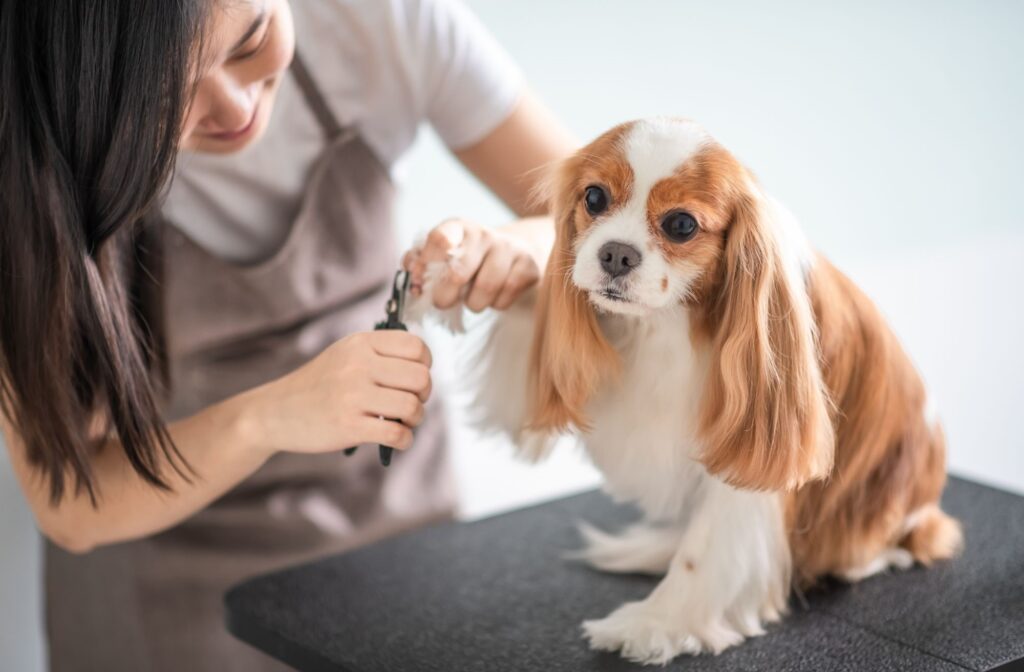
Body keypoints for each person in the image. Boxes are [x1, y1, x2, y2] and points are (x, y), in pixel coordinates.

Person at [0, 0, 573, 669]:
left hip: (400, 554)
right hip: (163, 599)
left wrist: (522, 248)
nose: (235, 105)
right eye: (164, 98)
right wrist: (270, 416)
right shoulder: (25, 147)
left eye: (253, 40)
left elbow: (595, 214)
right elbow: (72, 501)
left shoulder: (380, 21)